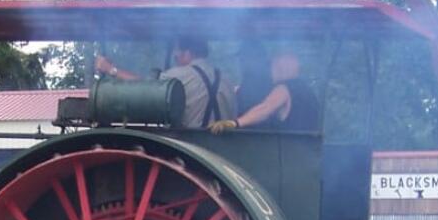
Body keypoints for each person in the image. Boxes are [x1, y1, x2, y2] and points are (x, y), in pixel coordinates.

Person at [95, 36, 236, 129]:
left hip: (191, 143)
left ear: (187, 53)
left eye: (177, 53)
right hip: (224, 143)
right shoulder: (227, 79)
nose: (176, 57)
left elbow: (143, 87)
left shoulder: (178, 74)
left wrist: (110, 69)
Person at [208, 52, 317, 133]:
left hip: (287, 152)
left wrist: (235, 123)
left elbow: (265, 109)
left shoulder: (284, 88)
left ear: (280, 67)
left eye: (272, 66)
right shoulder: (308, 92)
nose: (270, 71)